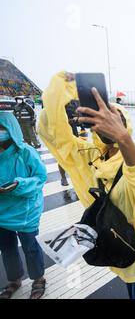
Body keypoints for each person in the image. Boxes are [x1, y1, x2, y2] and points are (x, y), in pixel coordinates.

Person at [38, 71, 135, 299]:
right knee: (127, 281)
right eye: (102, 120)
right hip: (114, 241)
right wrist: (65, 90)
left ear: (124, 126)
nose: (108, 126)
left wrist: (123, 138)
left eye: (115, 120)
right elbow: (51, 131)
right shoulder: (92, 156)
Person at [0, 112, 47, 299]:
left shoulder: (26, 151)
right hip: (2, 212)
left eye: (1, 128)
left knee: (30, 246)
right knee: (7, 247)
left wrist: (19, 185)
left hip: (26, 210)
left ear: (11, 129)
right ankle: (14, 281)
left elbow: (40, 177)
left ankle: (38, 279)